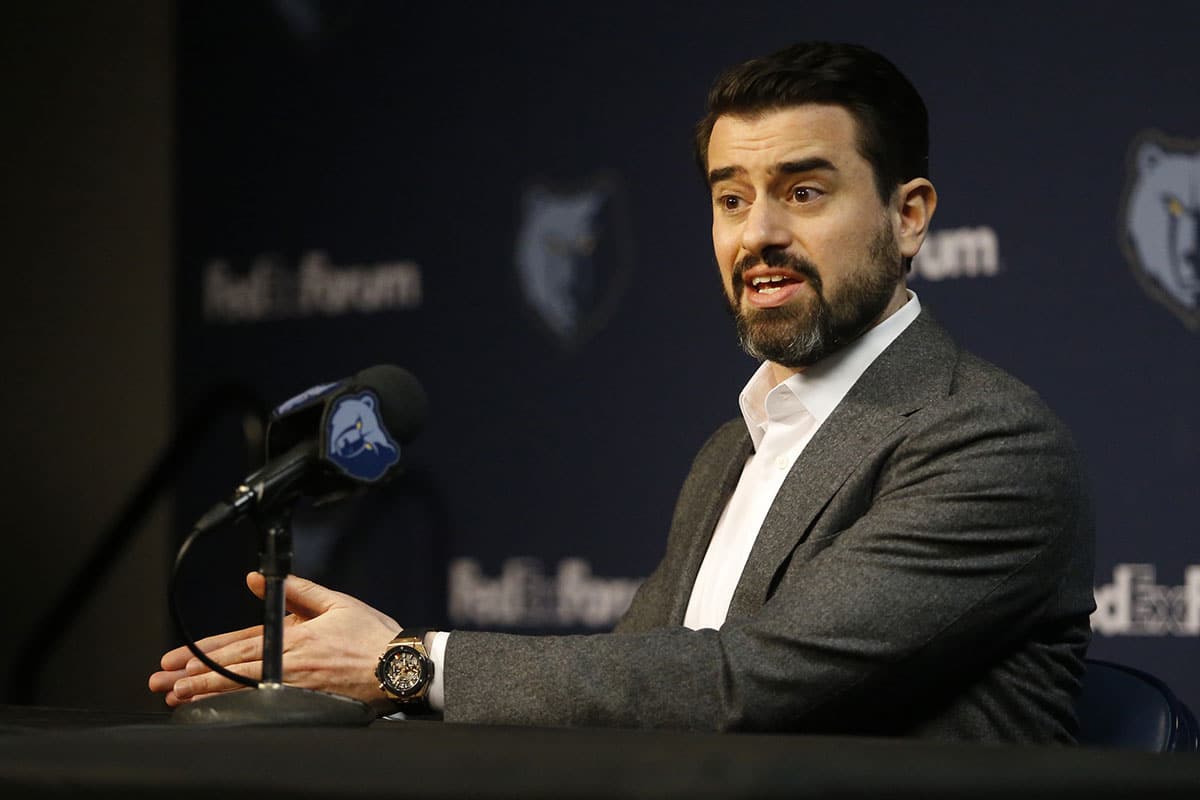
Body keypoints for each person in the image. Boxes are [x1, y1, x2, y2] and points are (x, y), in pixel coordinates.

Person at [150, 42, 1095, 742]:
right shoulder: (739, 444)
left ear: (909, 215)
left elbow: (745, 685)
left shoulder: (986, 440)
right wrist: (362, 690)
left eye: (803, 192)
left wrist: (406, 663)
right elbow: (633, 686)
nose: (756, 233)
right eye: (731, 198)